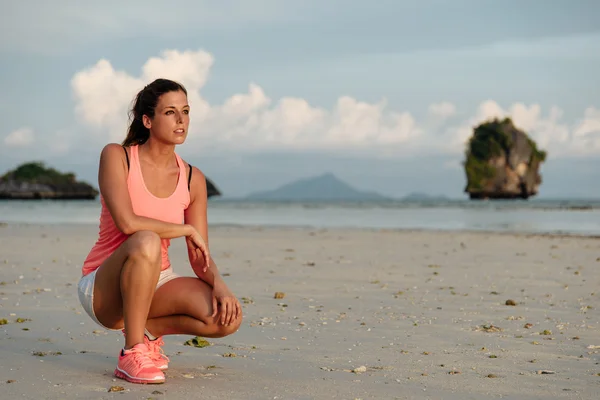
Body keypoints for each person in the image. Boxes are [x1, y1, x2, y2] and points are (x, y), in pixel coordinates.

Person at [77, 78, 242, 384]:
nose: (181, 120)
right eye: (170, 112)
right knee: (147, 240)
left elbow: (198, 254)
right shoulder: (118, 156)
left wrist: (219, 282)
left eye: (186, 111)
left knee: (226, 317)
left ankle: (146, 331)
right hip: (104, 286)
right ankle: (132, 354)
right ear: (147, 120)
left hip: (158, 279)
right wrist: (183, 228)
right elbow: (127, 223)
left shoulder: (193, 178)